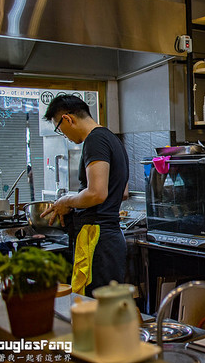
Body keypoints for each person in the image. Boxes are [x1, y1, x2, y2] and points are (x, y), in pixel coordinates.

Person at [40, 95, 129, 296]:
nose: (64, 135)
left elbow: (97, 193)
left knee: (94, 309)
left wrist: (66, 201)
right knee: (107, 307)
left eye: (59, 129)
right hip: (110, 238)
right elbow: (123, 192)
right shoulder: (111, 138)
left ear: (67, 119)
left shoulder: (94, 140)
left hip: (95, 237)